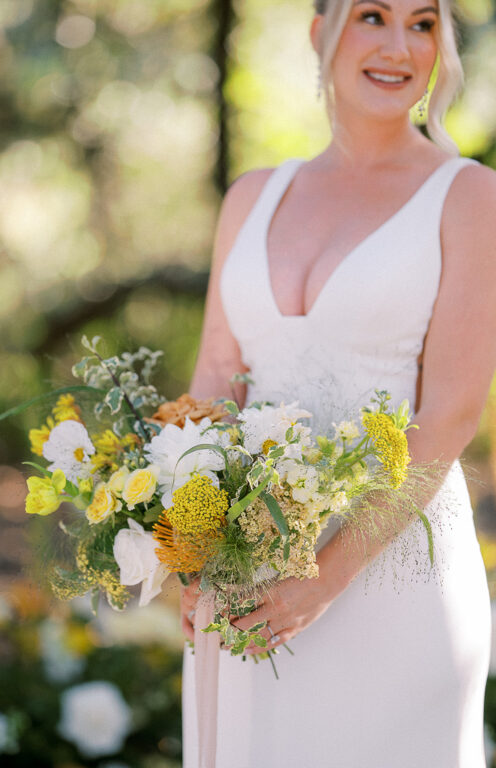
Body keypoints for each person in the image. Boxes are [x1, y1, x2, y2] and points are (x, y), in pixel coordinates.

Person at [177, 0, 496, 765]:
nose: (399, 47)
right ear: (322, 32)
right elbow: (217, 376)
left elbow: (452, 414)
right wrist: (189, 548)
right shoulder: (251, 196)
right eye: (373, 16)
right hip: (247, 572)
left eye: (423, 23)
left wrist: (322, 579)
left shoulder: (470, 197)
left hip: (394, 576)